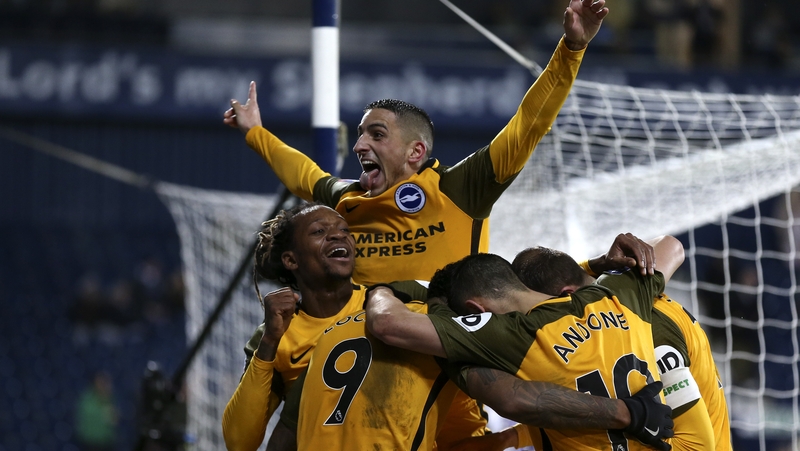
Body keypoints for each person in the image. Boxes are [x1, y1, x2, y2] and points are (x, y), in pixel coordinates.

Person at [223, 0, 615, 287]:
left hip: (447, 364)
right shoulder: (348, 200)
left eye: (376, 135)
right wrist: (255, 132)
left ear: (416, 152)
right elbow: (305, 175)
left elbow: (528, 124)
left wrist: (571, 49)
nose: (360, 145)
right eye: (360, 134)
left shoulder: (459, 188)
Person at [365, 234, 686, 450]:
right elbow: (672, 246)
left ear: (475, 312)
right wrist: (604, 264)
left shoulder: (510, 335)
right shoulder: (617, 293)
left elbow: (387, 323)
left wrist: (379, 289)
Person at [221, 203, 486, 451]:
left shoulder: (393, 303)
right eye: (319, 231)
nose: (338, 236)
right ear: (291, 260)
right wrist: (268, 341)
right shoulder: (278, 334)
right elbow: (239, 441)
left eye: (344, 230)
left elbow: (456, 401)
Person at [512, 240, 729, 449]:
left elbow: (695, 445)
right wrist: (513, 437)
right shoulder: (620, 299)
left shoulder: (649, 334)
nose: (538, 324)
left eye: (538, 313)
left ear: (566, 295)